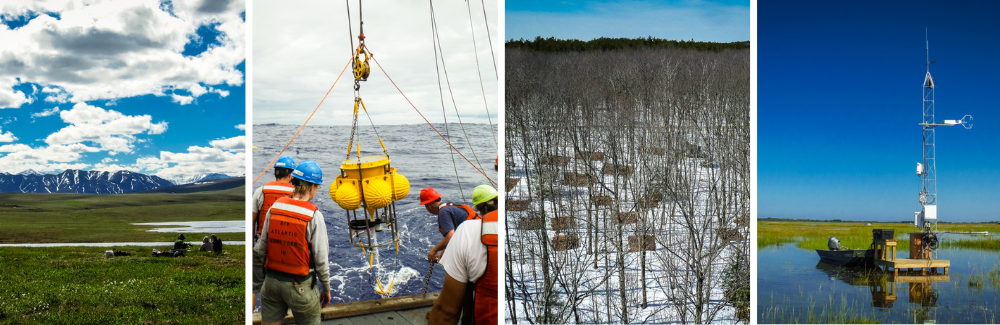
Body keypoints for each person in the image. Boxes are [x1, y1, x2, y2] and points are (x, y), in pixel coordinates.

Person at [253, 160, 331, 325]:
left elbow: (261, 248)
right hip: (300, 286)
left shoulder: (274, 207)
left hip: (271, 282)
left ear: (294, 182)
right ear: (311, 187)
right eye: (317, 187)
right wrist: (326, 288)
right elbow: (321, 260)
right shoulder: (314, 216)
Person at [429, 184, 498, 325]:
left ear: (481, 208)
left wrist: (434, 250)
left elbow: (447, 313)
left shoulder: (466, 229)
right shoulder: (453, 207)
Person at [420, 187, 477, 264]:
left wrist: (434, 250)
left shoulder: (443, 212)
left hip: (476, 244)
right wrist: (442, 254)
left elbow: (450, 237)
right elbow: (455, 236)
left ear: (428, 206)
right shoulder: (449, 207)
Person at [253, 155, 297, 243]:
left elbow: (251, 222)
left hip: (262, 243)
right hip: (286, 245)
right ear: (291, 175)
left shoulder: (260, 191)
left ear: (275, 173)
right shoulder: (297, 194)